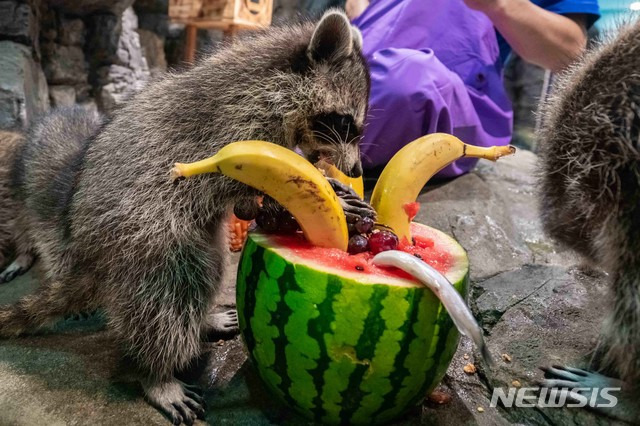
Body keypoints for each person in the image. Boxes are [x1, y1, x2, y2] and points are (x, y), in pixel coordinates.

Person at [346, 0, 599, 177]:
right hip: (361, 65)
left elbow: (568, 52)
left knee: (409, 81)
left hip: (445, 95)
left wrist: (501, 4)